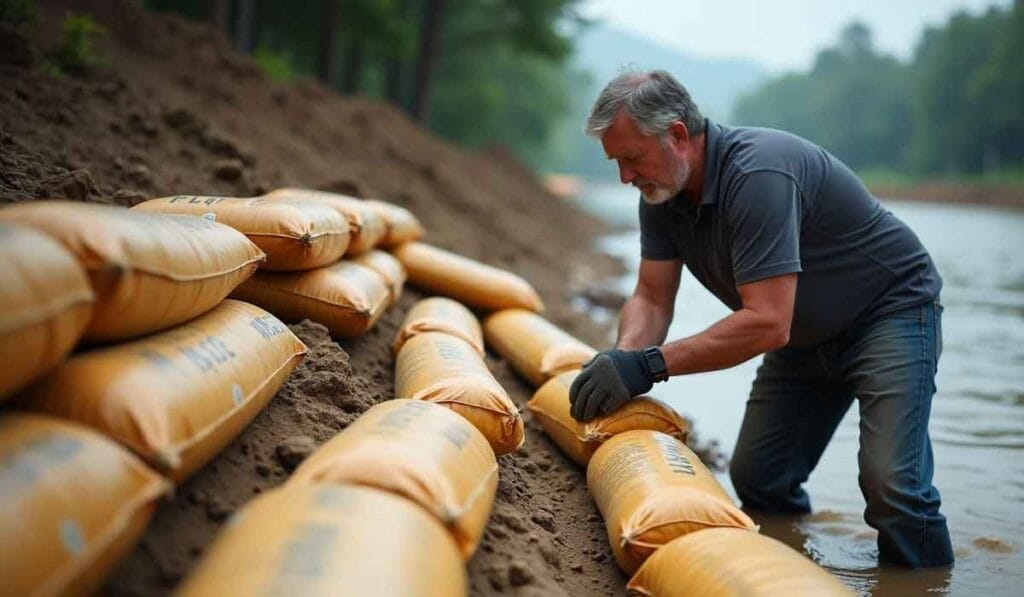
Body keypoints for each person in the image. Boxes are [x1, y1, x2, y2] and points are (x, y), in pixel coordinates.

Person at [569, 70, 953, 568]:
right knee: (758, 477)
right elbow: (652, 297)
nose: (626, 176)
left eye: (631, 158)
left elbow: (768, 323)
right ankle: (795, 568)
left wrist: (648, 365)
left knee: (893, 487)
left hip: (888, 313)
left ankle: (924, 582)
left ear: (678, 136)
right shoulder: (660, 195)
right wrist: (622, 359)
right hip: (806, 335)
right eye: (617, 163)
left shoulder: (757, 176)